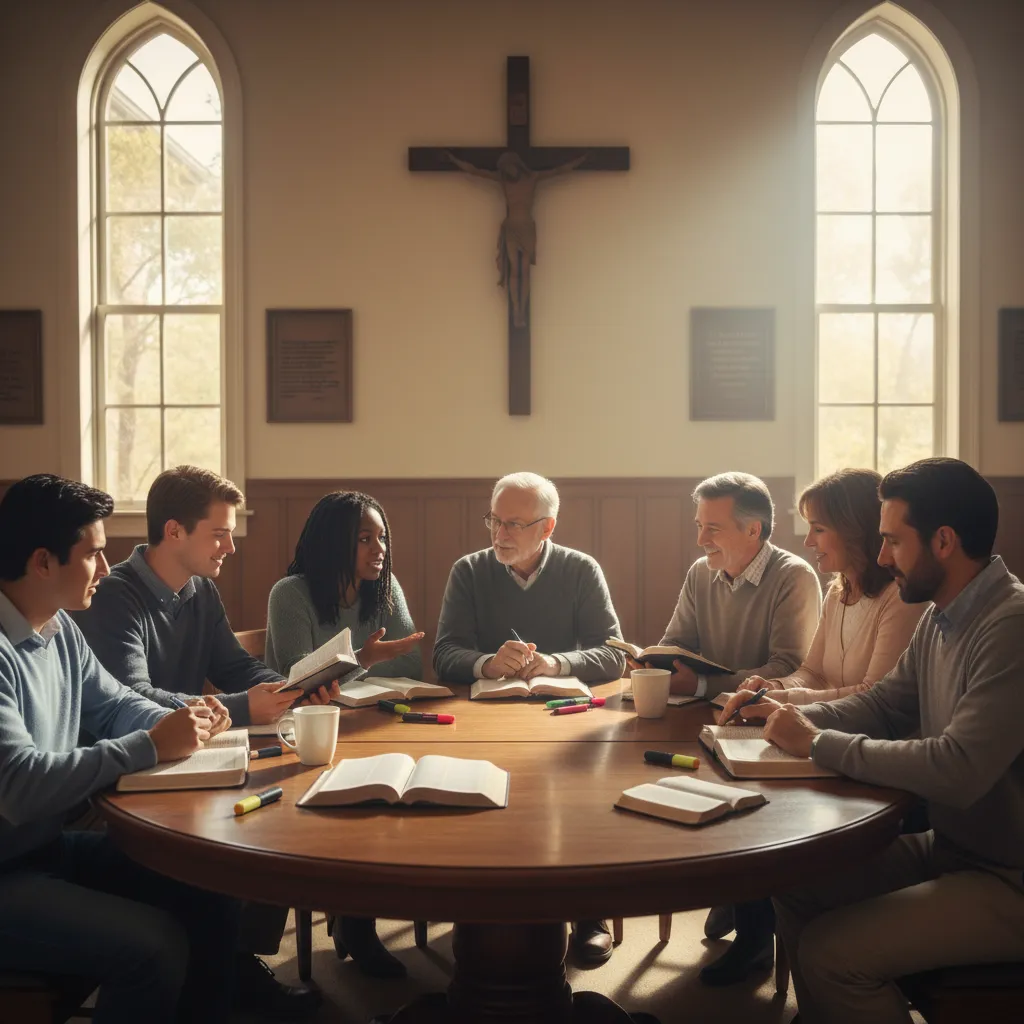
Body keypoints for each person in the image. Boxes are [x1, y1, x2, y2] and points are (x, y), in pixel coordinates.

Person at [718, 458, 1024, 1024]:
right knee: (795, 883)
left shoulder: (1010, 625)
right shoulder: (943, 614)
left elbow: (958, 767)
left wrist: (815, 742)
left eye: (892, 541)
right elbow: (884, 704)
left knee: (834, 956)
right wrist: (783, 710)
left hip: (1008, 879)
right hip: (955, 850)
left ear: (944, 541)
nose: (882, 557)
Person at [72, 465, 318, 1019]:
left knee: (281, 807)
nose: (232, 545)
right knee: (232, 840)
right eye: (220, 532)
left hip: (190, 751)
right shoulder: (115, 596)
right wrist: (238, 709)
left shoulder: (200, 592)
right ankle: (223, 976)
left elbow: (233, 665)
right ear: (175, 532)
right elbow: (128, 695)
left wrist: (283, 686)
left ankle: (230, 964)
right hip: (124, 775)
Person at [0, 474, 240, 1023]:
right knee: (153, 947)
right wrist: (151, 746)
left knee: (209, 884)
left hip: (45, 849)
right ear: (43, 561)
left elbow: (115, 705)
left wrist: (184, 724)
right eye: (94, 554)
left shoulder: (59, 629)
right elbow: (17, 784)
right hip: (7, 872)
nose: (106, 570)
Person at [709, 469, 927, 986]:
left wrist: (789, 704)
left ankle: (755, 919)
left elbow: (875, 696)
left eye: (818, 528)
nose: (806, 541)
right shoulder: (841, 590)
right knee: (736, 779)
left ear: (855, 531)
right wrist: (775, 689)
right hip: (828, 734)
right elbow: (814, 671)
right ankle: (750, 917)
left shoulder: (901, 597)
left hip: (874, 754)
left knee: (760, 801)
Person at [433, 471, 626, 963]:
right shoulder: (469, 570)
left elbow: (614, 653)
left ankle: (589, 913)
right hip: (486, 721)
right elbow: (445, 653)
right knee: (477, 799)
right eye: (495, 521)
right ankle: (478, 913)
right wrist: (485, 664)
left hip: (566, 716)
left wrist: (557, 663)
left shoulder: (581, 569)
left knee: (585, 791)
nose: (500, 534)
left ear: (547, 527)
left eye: (515, 524)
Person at [641, 472, 821, 984]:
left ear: (754, 530)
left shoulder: (794, 577)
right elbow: (676, 640)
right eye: (699, 526)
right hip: (710, 718)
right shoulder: (703, 572)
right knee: (658, 771)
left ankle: (754, 937)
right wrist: (656, 663)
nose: (700, 540)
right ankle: (734, 893)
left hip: (765, 727)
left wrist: (699, 684)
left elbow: (789, 668)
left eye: (712, 529)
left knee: (749, 803)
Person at [265, 491, 424, 977]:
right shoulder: (290, 594)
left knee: (407, 788)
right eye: (364, 538)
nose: (379, 548)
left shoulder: (385, 588)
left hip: (372, 723)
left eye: (382, 537)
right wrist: (366, 660)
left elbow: (411, 664)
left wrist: (357, 668)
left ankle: (355, 918)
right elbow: (301, 684)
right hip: (302, 734)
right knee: (363, 799)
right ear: (336, 542)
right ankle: (356, 922)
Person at [445, 149, 587, 326]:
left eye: (508, 167)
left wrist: (580, 160)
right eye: (503, 169)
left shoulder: (532, 178)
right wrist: (453, 160)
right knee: (514, 271)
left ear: (516, 164)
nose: (506, 172)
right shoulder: (503, 180)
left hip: (526, 227)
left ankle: (522, 308)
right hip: (511, 228)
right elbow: (475, 171)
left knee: (525, 270)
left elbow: (558, 171)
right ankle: (516, 309)